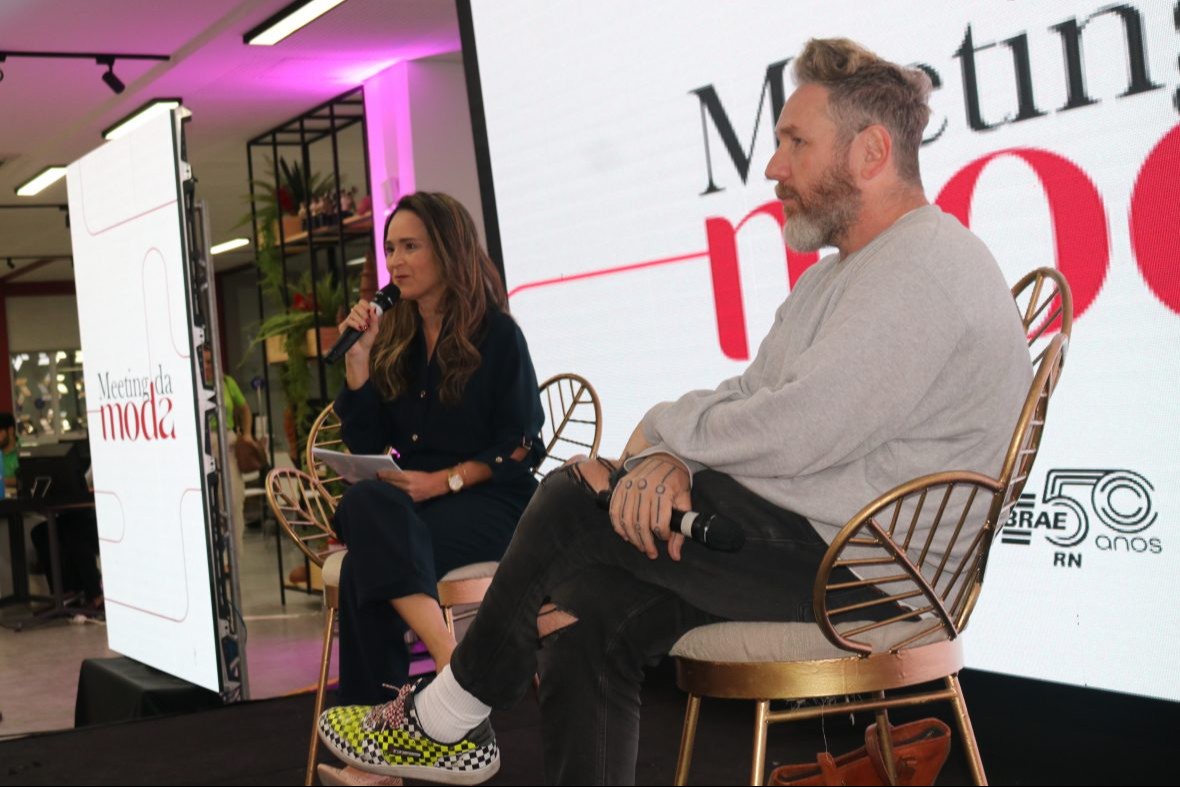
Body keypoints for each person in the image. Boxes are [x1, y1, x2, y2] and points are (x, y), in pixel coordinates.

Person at [317, 38, 1034, 785]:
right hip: (817, 538)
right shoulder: (843, 277)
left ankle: (448, 716)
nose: (773, 167)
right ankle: (454, 715)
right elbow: (750, 394)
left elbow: (797, 429)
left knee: (575, 493)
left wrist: (660, 437)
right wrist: (669, 453)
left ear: (872, 150)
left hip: (870, 573)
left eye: (795, 142)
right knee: (585, 614)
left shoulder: (924, 265)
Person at [317, 192, 545, 786]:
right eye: (391, 247)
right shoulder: (396, 337)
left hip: (488, 499)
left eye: (411, 246)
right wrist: (359, 363)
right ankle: (455, 673)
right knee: (368, 511)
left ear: (448, 250)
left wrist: (442, 480)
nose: (396, 260)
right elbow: (371, 439)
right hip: (408, 507)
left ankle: (382, 756)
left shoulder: (498, 336)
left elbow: (522, 443)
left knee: (367, 557)